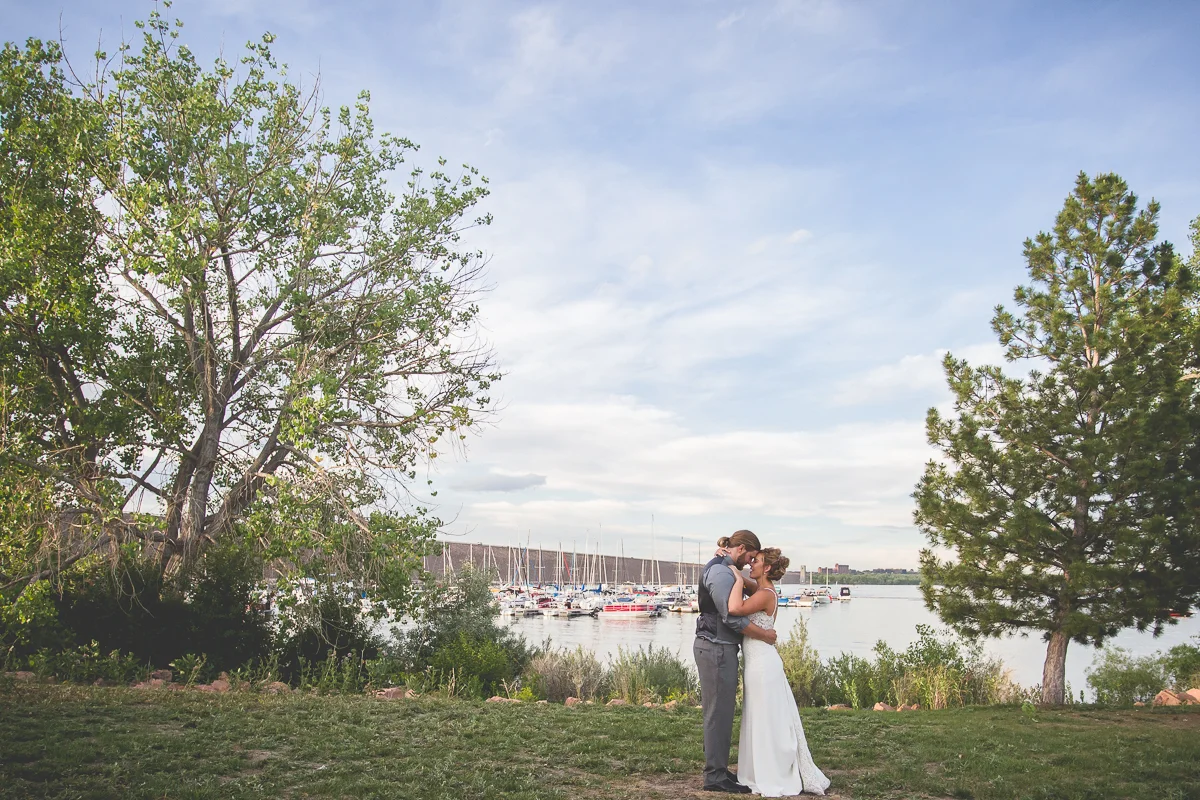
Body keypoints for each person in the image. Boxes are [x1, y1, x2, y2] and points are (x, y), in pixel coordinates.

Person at [726, 548, 830, 796]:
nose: (752, 564)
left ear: (768, 568)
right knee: (758, 715)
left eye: (757, 562)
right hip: (757, 661)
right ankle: (758, 769)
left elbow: (734, 609)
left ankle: (773, 771)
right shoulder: (763, 590)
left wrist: (738, 579)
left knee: (766, 718)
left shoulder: (764, 595)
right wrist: (734, 567)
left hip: (763, 664)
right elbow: (753, 585)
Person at [694, 530, 778, 794]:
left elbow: (756, 588)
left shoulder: (726, 568)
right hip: (715, 647)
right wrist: (764, 634)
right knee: (718, 712)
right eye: (751, 557)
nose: (749, 563)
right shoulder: (721, 573)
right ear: (741, 549)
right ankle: (714, 776)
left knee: (723, 712)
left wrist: (734, 566)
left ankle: (719, 770)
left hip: (722, 647)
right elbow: (731, 617)